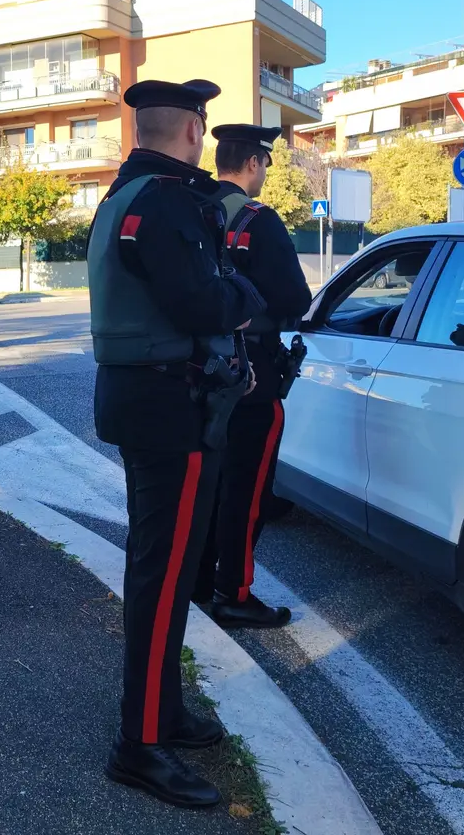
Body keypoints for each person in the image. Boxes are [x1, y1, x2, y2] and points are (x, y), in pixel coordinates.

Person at [88, 80, 266, 809]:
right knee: (163, 578)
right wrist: (249, 296)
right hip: (170, 406)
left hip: (149, 400)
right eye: (199, 121)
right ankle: (139, 745)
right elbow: (202, 299)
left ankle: (161, 716)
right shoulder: (163, 200)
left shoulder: (124, 194)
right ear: (193, 129)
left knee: (163, 568)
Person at [193, 125, 313, 629]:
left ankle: (199, 582)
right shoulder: (258, 221)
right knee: (248, 490)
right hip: (252, 376)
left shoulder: (193, 211)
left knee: (207, 485)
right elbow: (296, 301)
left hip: (197, 370)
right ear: (255, 164)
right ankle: (234, 593)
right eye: (264, 164)